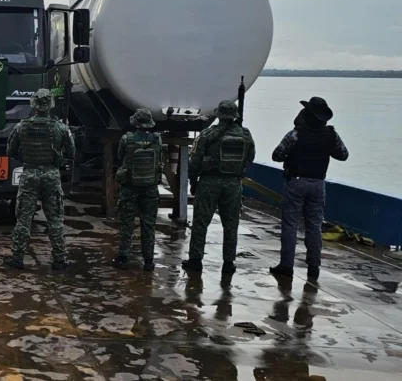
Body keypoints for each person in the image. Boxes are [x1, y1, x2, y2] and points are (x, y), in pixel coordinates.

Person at [269, 97, 348, 280]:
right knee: (314, 225)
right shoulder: (331, 135)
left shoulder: (296, 134)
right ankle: (314, 266)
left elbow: (277, 155)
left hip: (296, 182)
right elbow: (343, 155)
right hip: (318, 184)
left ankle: (286, 266)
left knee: (290, 225)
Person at [3, 88, 75, 270]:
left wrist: (26, 158)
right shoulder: (60, 128)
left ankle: (17, 258)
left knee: (24, 219)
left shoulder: (21, 126)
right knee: (55, 219)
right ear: (50, 106)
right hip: (51, 175)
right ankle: (59, 259)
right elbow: (72, 153)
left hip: (29, 175)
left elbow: (10, 151)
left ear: (34, 105)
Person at [182, 100, 255, 275]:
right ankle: (229, 262)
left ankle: (195, 260)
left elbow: (195, 162)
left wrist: (193, 182)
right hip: (233, 184)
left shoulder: (208, 134)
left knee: (201, 222)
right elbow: (250, 157)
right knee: (231, 224)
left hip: (209, 183)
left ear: (219, 115)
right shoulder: (245, 134)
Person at [112, 108, 164, 271]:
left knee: (127, 223)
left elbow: (120, 157)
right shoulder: (157, 139)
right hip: (150, 188)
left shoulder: (126, 139)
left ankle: (123, 257)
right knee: (148, 224)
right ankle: (148, 260)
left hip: (129, 187)